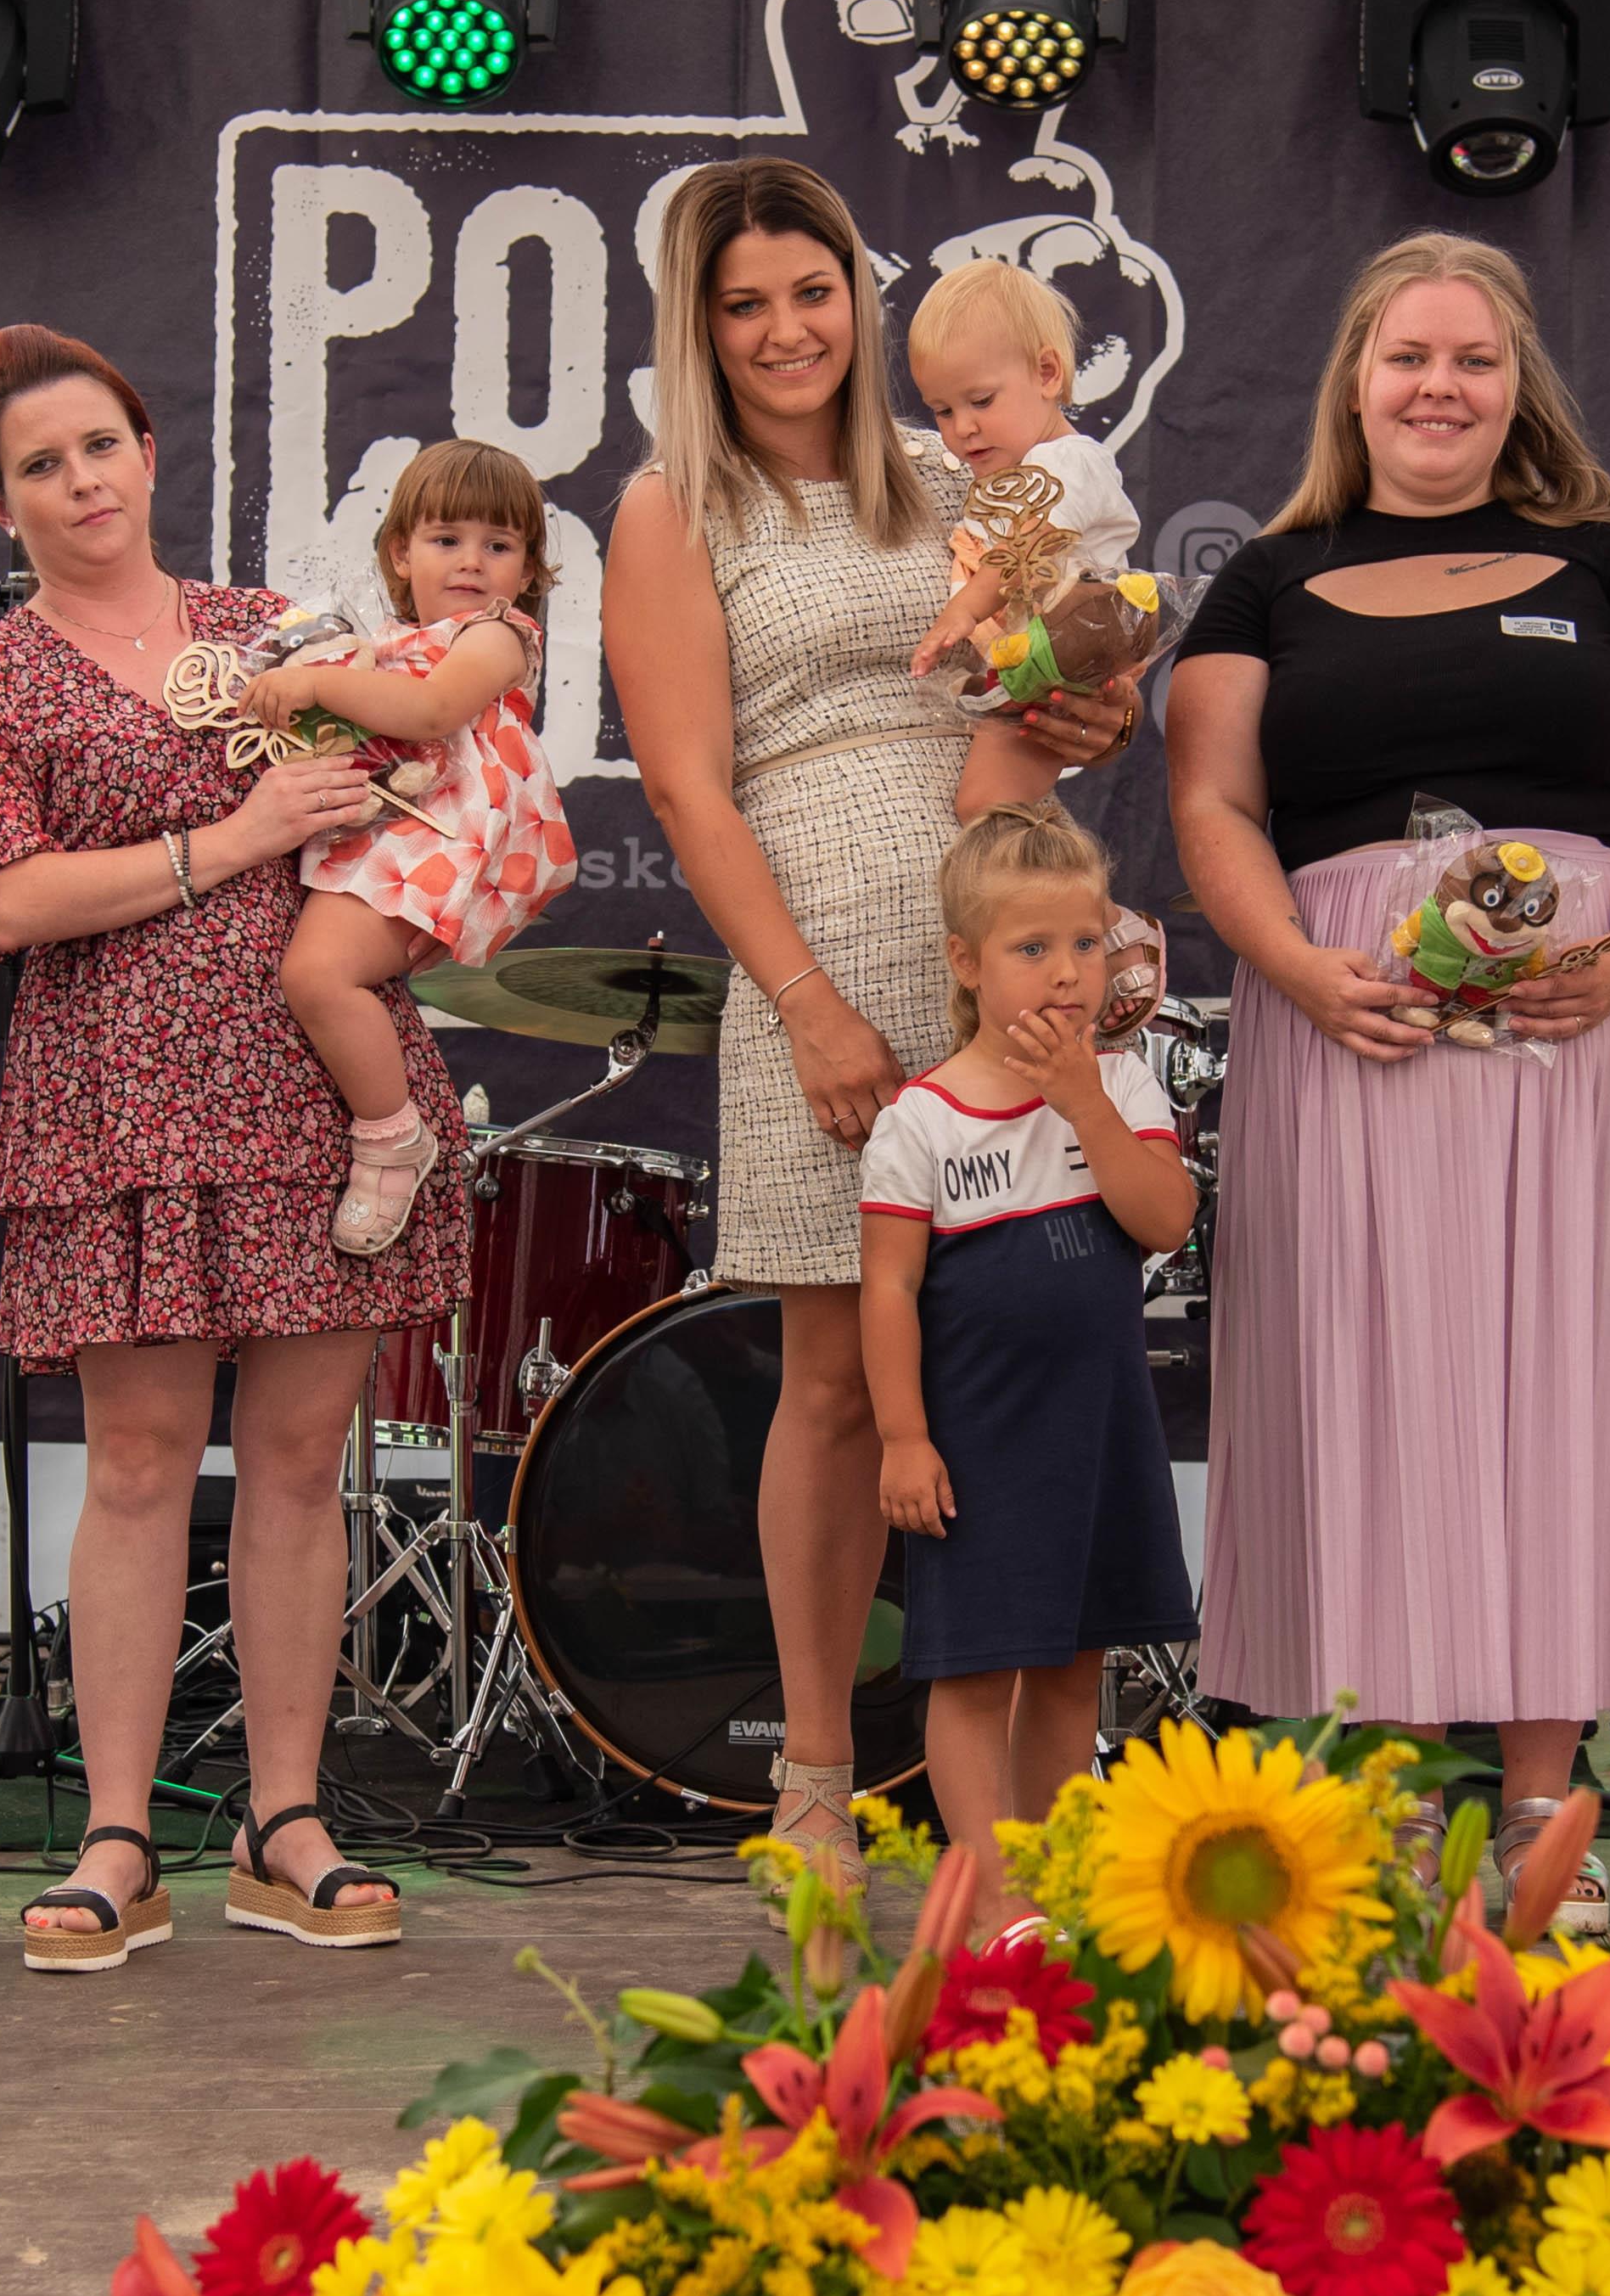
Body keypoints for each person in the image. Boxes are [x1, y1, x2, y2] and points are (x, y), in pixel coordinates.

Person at [1172, 231, 1610, 1936]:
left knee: (1565, 1382)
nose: (1440, 385)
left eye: (1473, 358)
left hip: (1577, 1025)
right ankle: (1403, 1797)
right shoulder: (1265, 581)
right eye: (1408, 356)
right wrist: (1295, 963)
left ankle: (1546, 1802)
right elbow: (1212, 804)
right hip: (1352, 1024)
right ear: (1355, 380)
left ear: (1515, 382)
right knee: (1372, 1382)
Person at [600, 156, 1138, 1911]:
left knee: (1035, 1343)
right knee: (836, 1380)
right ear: (699, 326)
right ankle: (818, 1778)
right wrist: (809, 1004)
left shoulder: (961, 469)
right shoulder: (673, 507)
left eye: (812, 291)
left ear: (860, 296)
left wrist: (1097, 704)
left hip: (1006, 923)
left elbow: (1067, 661)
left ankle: (1038, 1795)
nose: (785, 330)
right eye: (744, 303)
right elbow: (686, 788)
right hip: (815, 951)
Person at [0, 324, 447, 1973]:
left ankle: (285, 1822)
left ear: (149, 454)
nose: (80, 481)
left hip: (308, 1084)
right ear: (0, 504)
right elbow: (9, 900)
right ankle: (117, 1837)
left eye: (100, 446)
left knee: (298, 1458)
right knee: (139, 1463)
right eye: (40, 465)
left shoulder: (274, 629)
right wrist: (234, 837)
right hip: (118, 1098)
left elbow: (410, 793)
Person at [861, 802, 1197, 1931]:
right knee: (972, 1673)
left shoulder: (1123, 1087)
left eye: (1087, 943)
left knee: (1068, 1667)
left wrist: (1085, 1104)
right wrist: (904, 1436)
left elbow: (1163, 1219)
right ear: (965, 961)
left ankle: (1051, 1887)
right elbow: (888, 1290)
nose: (1067, 973)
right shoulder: (921, 1121)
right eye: (1033, 947)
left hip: (1094, 1437)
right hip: (975, 1448)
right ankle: (992, 1902)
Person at [243, 437, 581, 1253]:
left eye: (498, 545)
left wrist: (316, 683)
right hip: (390, 827)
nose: (471, 561)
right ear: (401, 552)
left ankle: (394, 1135)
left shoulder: (497, 634)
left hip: (439, 838)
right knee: (310, 971)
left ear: (527, 571)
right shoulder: (391, 641)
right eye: (446, 539)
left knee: (316, 975)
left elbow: (430, 714)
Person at [904, 257, 1144, 822]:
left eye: (981, 401)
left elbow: (1030, 546)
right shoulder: (1007, 473)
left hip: (1063, 662)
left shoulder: (1069, 462)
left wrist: (965, 608)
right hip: (1031, 659)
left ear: (1047, 373)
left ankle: (1058, 880)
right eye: (942, 410)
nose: (962, 427)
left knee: (984, 807)